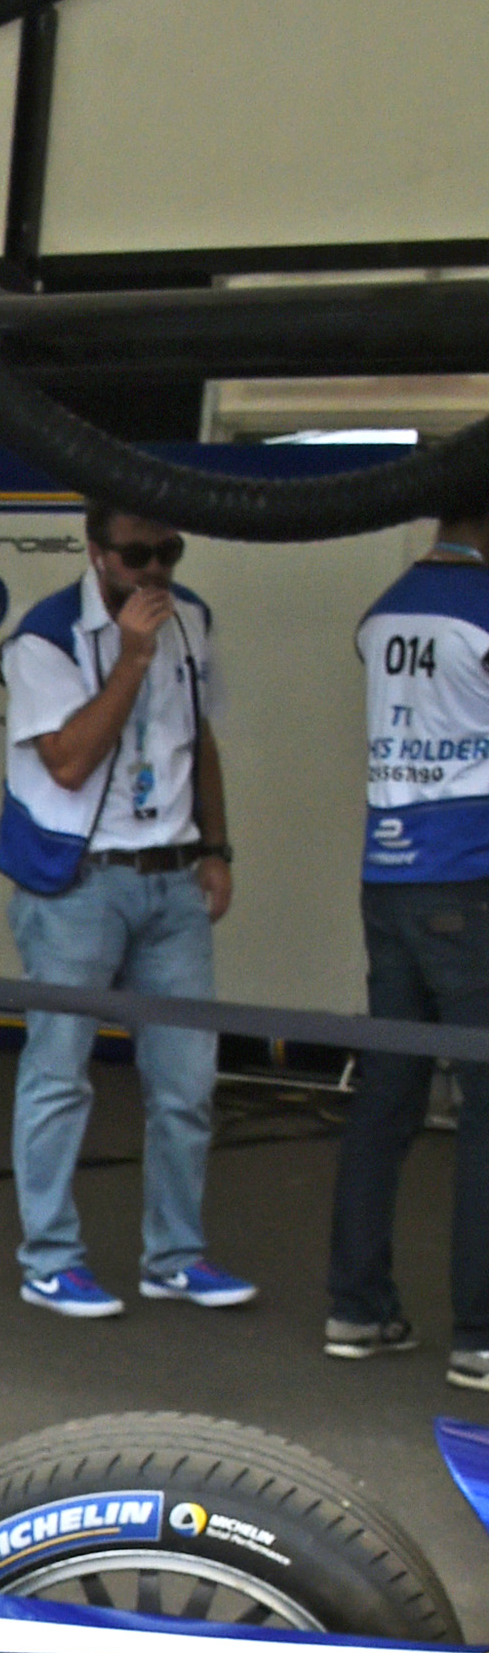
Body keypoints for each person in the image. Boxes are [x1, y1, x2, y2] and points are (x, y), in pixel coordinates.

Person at [0, 503, 248, 1319]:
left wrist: (217, 845)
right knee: (58, 1074)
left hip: (170, 875)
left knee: (186, 1081)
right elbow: (65, 760)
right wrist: (132, 658)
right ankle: (50, 1260)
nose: (156, 571)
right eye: (138, 555)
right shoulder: (44, 636)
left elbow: (197, 737)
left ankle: (175, 1254)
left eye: (169, 550)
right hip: (79, 882)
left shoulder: (192, 619)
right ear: (98, 555)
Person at [328, 483, 489, 1391]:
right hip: (468, 875)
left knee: (385, 1098)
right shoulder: (482, 609)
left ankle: (356, 1305)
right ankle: (481, 1333)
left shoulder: (384, 611)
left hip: (386, 875)